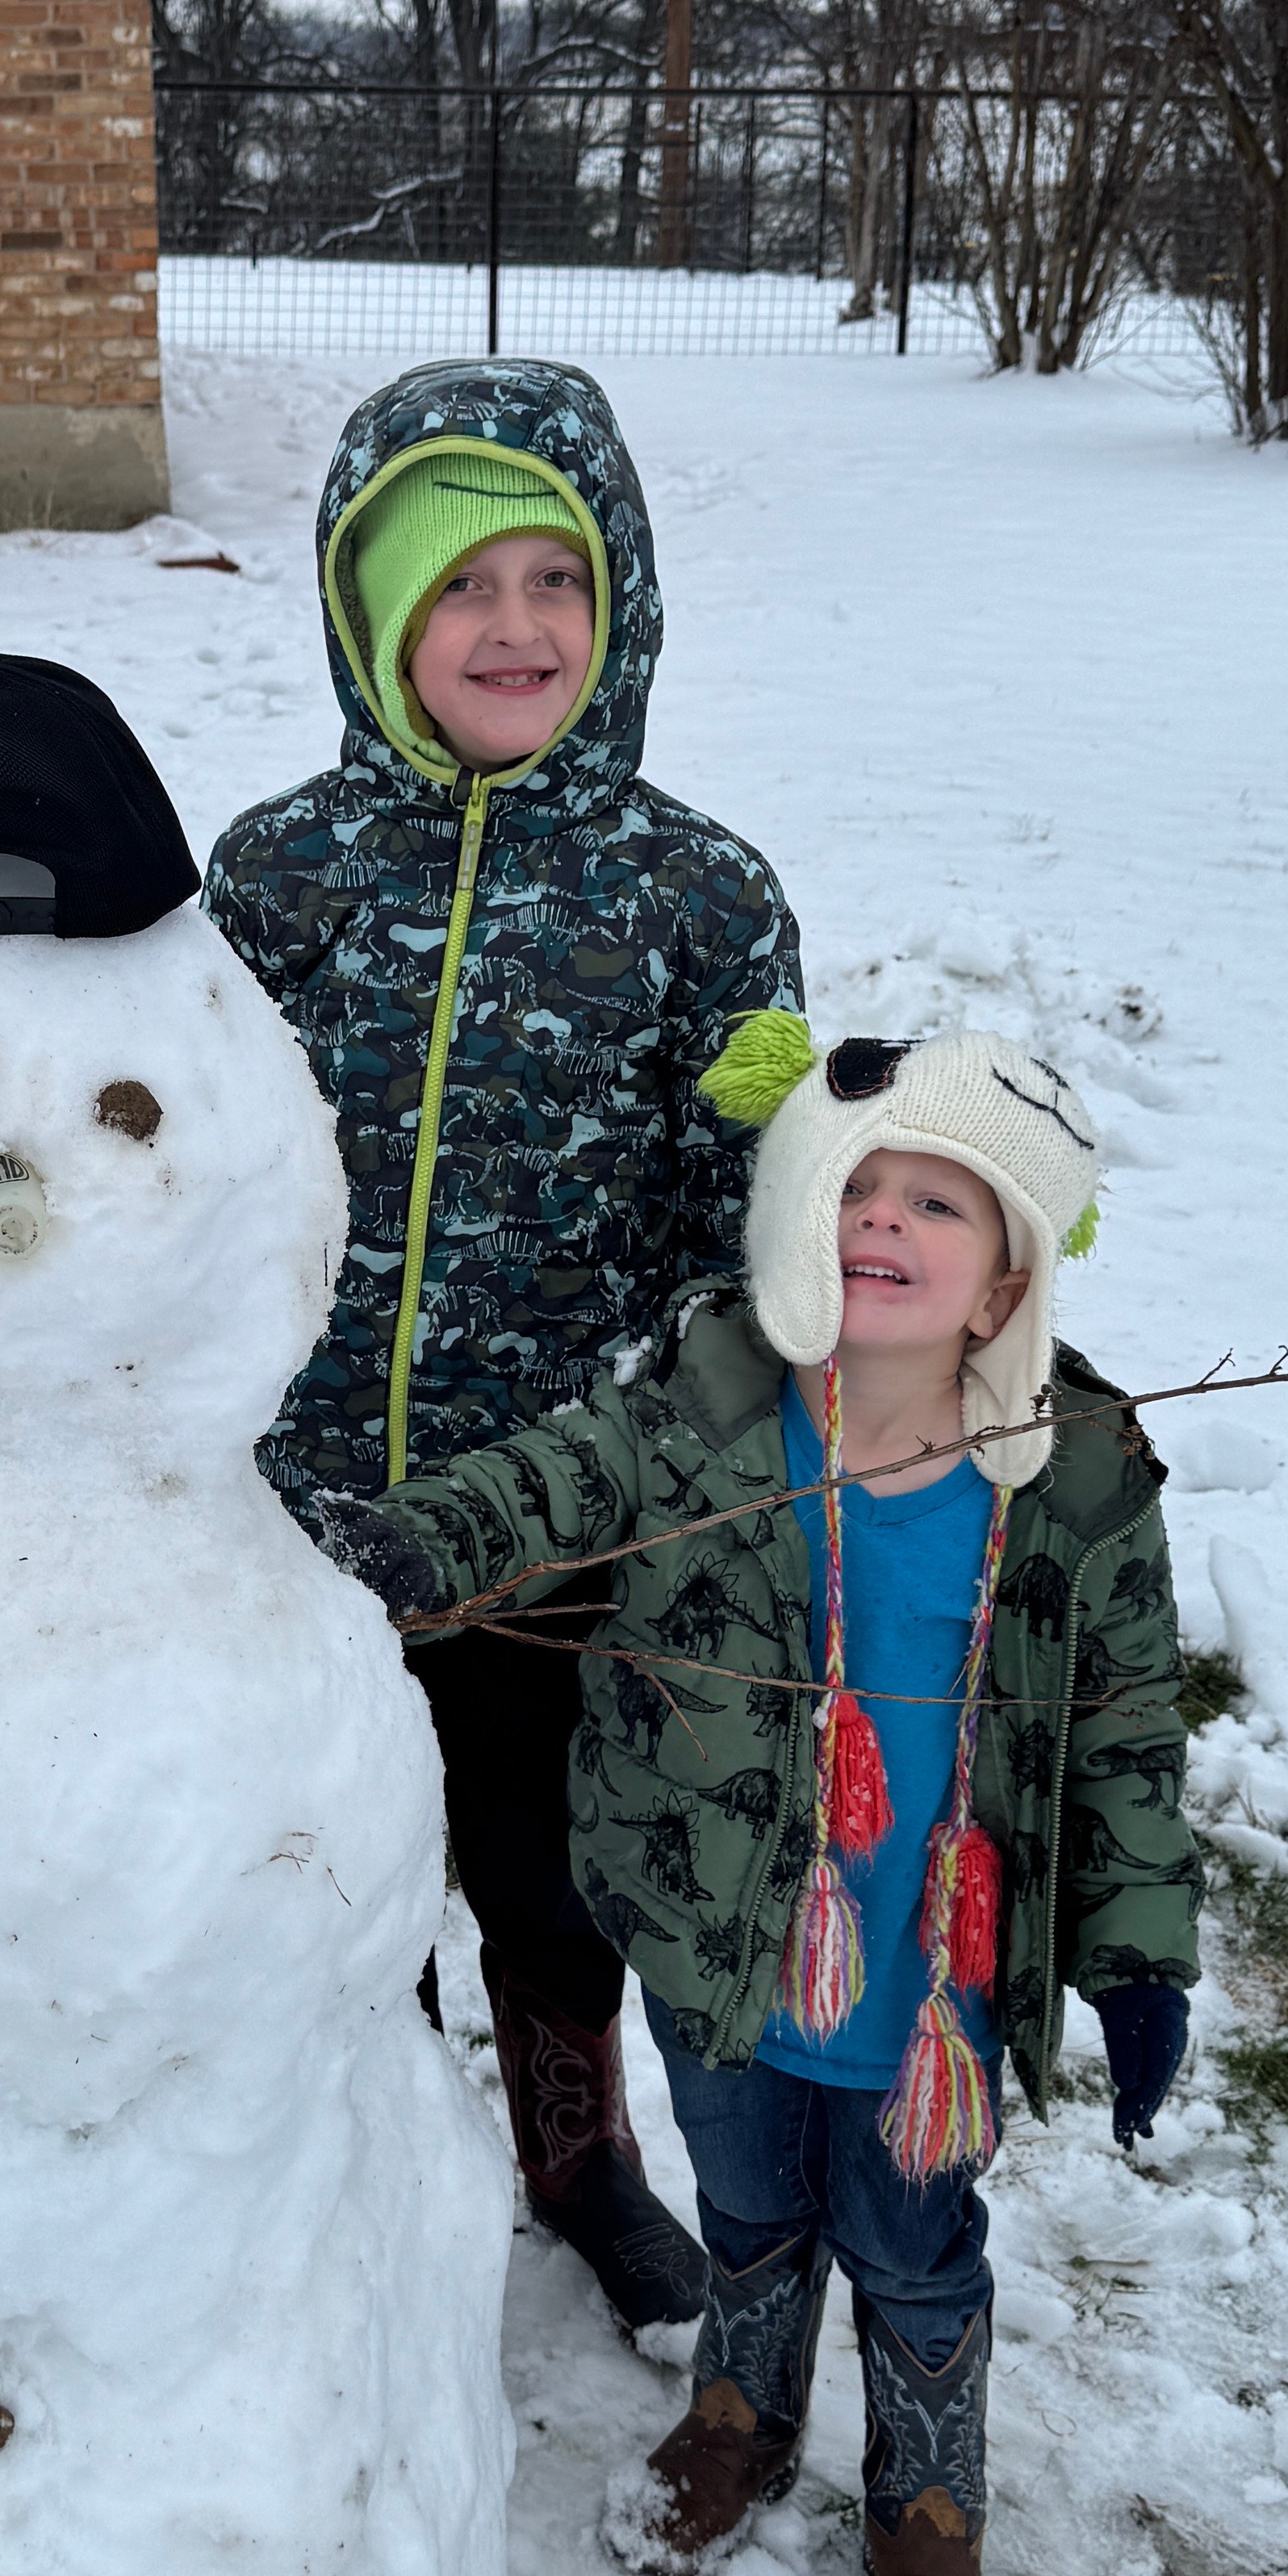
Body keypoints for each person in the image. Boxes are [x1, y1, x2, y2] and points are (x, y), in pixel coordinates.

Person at [294, 1027, 1201, 2576]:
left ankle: (929, 2509)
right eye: (854, 1186)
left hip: (932, 1975)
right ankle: (746, 2415)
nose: (884, 1221)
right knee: (753, 2197)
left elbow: (1133, 1723)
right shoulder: (703, 1417)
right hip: (723, 1936)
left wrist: (1139, 1952)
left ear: (1007, 1279)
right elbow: (546, 1487)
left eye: (939, 1200)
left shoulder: (1072, 1475)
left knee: (914, 2241)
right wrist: (412, 1543)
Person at [203, 358, 801, 2342]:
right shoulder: (274, 875)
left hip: (563, 1519)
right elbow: (186, 1169)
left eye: (560, 581)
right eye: (465, 588)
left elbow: (746, 1221)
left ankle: (571, 2142)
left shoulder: (697, 897)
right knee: (336, 1862)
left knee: (551, 1874)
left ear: (617, 605)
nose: (518, 627)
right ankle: (357, 2156)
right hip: (295, 1515)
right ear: (376, 615)